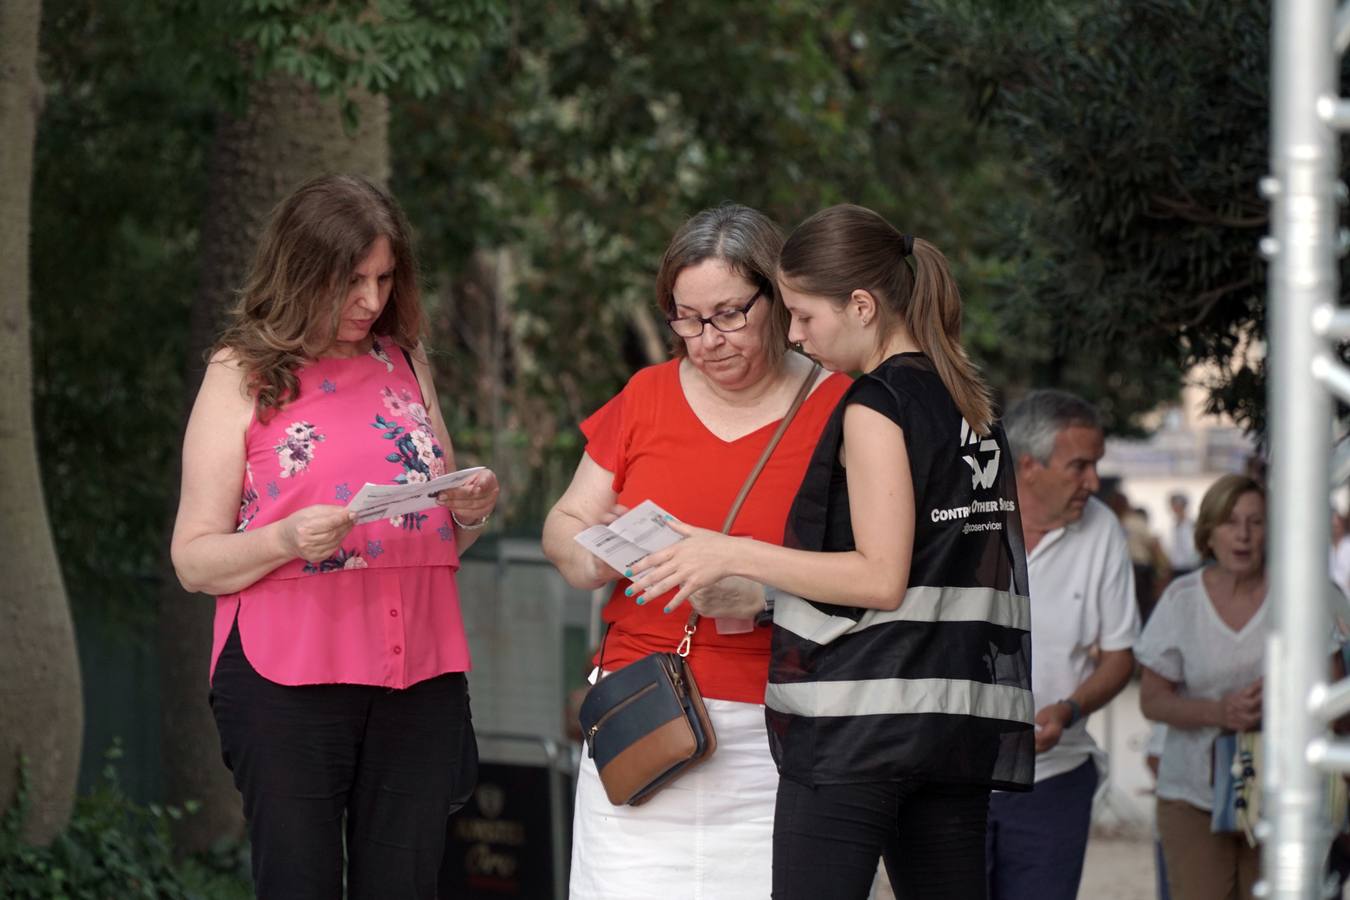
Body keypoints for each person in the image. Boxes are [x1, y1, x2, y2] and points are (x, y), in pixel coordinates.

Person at [630, 204, 1035, 900]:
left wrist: (730, 552)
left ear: (861, 304)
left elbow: (879, 576)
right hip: (955, 725)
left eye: (803, 315)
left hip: (858, 727)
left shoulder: (876, 403)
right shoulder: (969, 403)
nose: (795, 335)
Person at [170, 175, 498, 899]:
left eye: (384, 278)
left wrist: (468, 511)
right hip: (288, 676)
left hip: (420, 673)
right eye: (352, 280)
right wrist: (285, 538)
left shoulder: (406, 363)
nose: (372, 301)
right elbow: (193, 560)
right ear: (301, 270)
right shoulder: (241, 371)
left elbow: (432, 544)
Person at [540, 204, 851, 899]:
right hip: (644, 718)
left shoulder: (843, 407)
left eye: (730, 314)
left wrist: (767, 597)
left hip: (784, 728)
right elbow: (564, 524)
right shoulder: (646, 395)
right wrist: (594, 556)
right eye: (686, 318)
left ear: (779, 299)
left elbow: (883, 576)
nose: (706, 340)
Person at [985, 389, 1139, 900]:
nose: (1093, 483)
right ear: (1028, 466)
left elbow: (1120, 656)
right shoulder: (963, 517)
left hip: (1054, 778)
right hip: (949, 778)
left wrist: (1070, 710)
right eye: (1080, 467)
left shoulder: (1103, 531)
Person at [1136, 474, 1267, 900]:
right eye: (1230, 522)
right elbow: (1152, 700)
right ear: (1208, 532)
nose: (1243, 535)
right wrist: (1221, 712)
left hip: (1283, 794)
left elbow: (1337, 703)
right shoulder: (1182, 598)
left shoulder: (1302, 596)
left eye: (1256, 522)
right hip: (1191, 794)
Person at [1168, 493, 1202, 577]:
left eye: (1175, 505)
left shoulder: (1188, 525)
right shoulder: (1177, 524)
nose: (1172, 508)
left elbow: (1190, 548)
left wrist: (1193, 563)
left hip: (1187, 567)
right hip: (1177, 566)